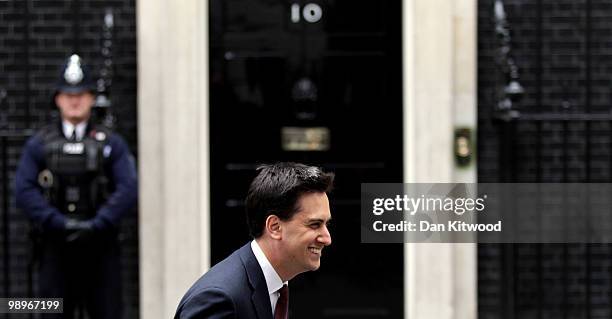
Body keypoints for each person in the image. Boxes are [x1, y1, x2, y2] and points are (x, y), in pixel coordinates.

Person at [14, 54, 138, 319]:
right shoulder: (40, 144)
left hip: (100, 248)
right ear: (57, 98)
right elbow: (24, 190)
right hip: (54, 247)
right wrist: (58, 223)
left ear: (92, 98)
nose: (74, 100)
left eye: (81, 93)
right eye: (68, 94)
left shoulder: (110, 143)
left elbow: (127, 188)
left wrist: (96, 224)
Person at [175, 162, 334, 319]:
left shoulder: (275, 284)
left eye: (326, 224)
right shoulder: (219, 300)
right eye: (315, 224)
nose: (327, 239)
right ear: (274, 227)